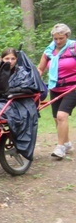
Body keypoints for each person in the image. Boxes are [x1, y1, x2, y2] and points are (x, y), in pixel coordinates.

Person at [36, 23, 76, 159]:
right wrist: (33, 79)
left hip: (73, 87)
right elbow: (40, 69)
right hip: (55, 87)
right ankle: (67, 143)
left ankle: (60, 148)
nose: (58, 41)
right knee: (56, 119)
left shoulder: (73, 47)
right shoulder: (49, 51)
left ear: (67, 36)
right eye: (55, 39)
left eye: (61, 38)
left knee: (61, 116)